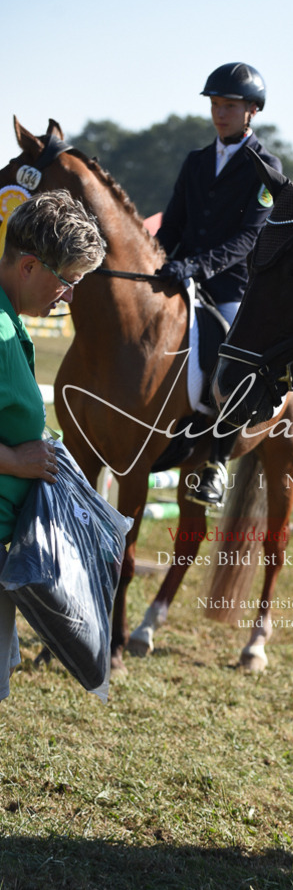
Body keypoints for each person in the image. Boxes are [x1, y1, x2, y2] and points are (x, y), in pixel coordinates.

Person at [156, 62, 282, 507]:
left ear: (251, 110)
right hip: (180, 273)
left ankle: (217, 462)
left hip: (228, 286)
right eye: (215, 104)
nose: (219, 113)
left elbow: (249, 238)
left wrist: (197, 267)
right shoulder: (195, 161)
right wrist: (157, 260)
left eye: (229, 105)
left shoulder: (265, 167)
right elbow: (172, 225)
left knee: (236, 361)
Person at [0, 190, 106, 699]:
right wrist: (14, 460)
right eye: (67, 281)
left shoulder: (11, 321)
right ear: (27, 266)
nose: (68, 296)